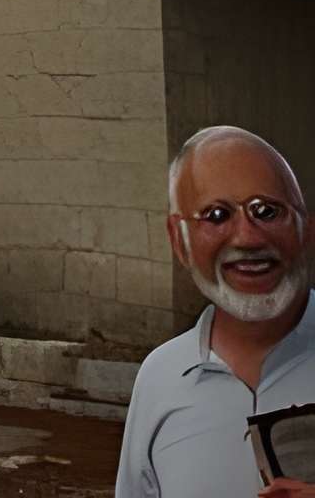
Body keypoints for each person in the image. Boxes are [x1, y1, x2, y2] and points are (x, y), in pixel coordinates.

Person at [117, 125, 315, 497]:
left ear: (307, 229)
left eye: (267, 211)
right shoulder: (161, 378)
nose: (248, 238)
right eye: (217, 215)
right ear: (179, 240)